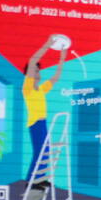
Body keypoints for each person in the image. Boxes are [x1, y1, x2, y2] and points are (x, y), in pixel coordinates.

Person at [23, 35, 66, 190]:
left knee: (45, 151)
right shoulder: (27, 88)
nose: (37, 72)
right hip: (35, 123)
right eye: (35, 70)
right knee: (39, 152)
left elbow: (56, 76)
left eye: (38, 70)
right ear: (29, 73)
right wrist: (48, 44)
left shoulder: (41, 90)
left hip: (42, 122)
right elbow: (33, 60)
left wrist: (62, 57)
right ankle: (31, 181)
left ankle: (40, 179)